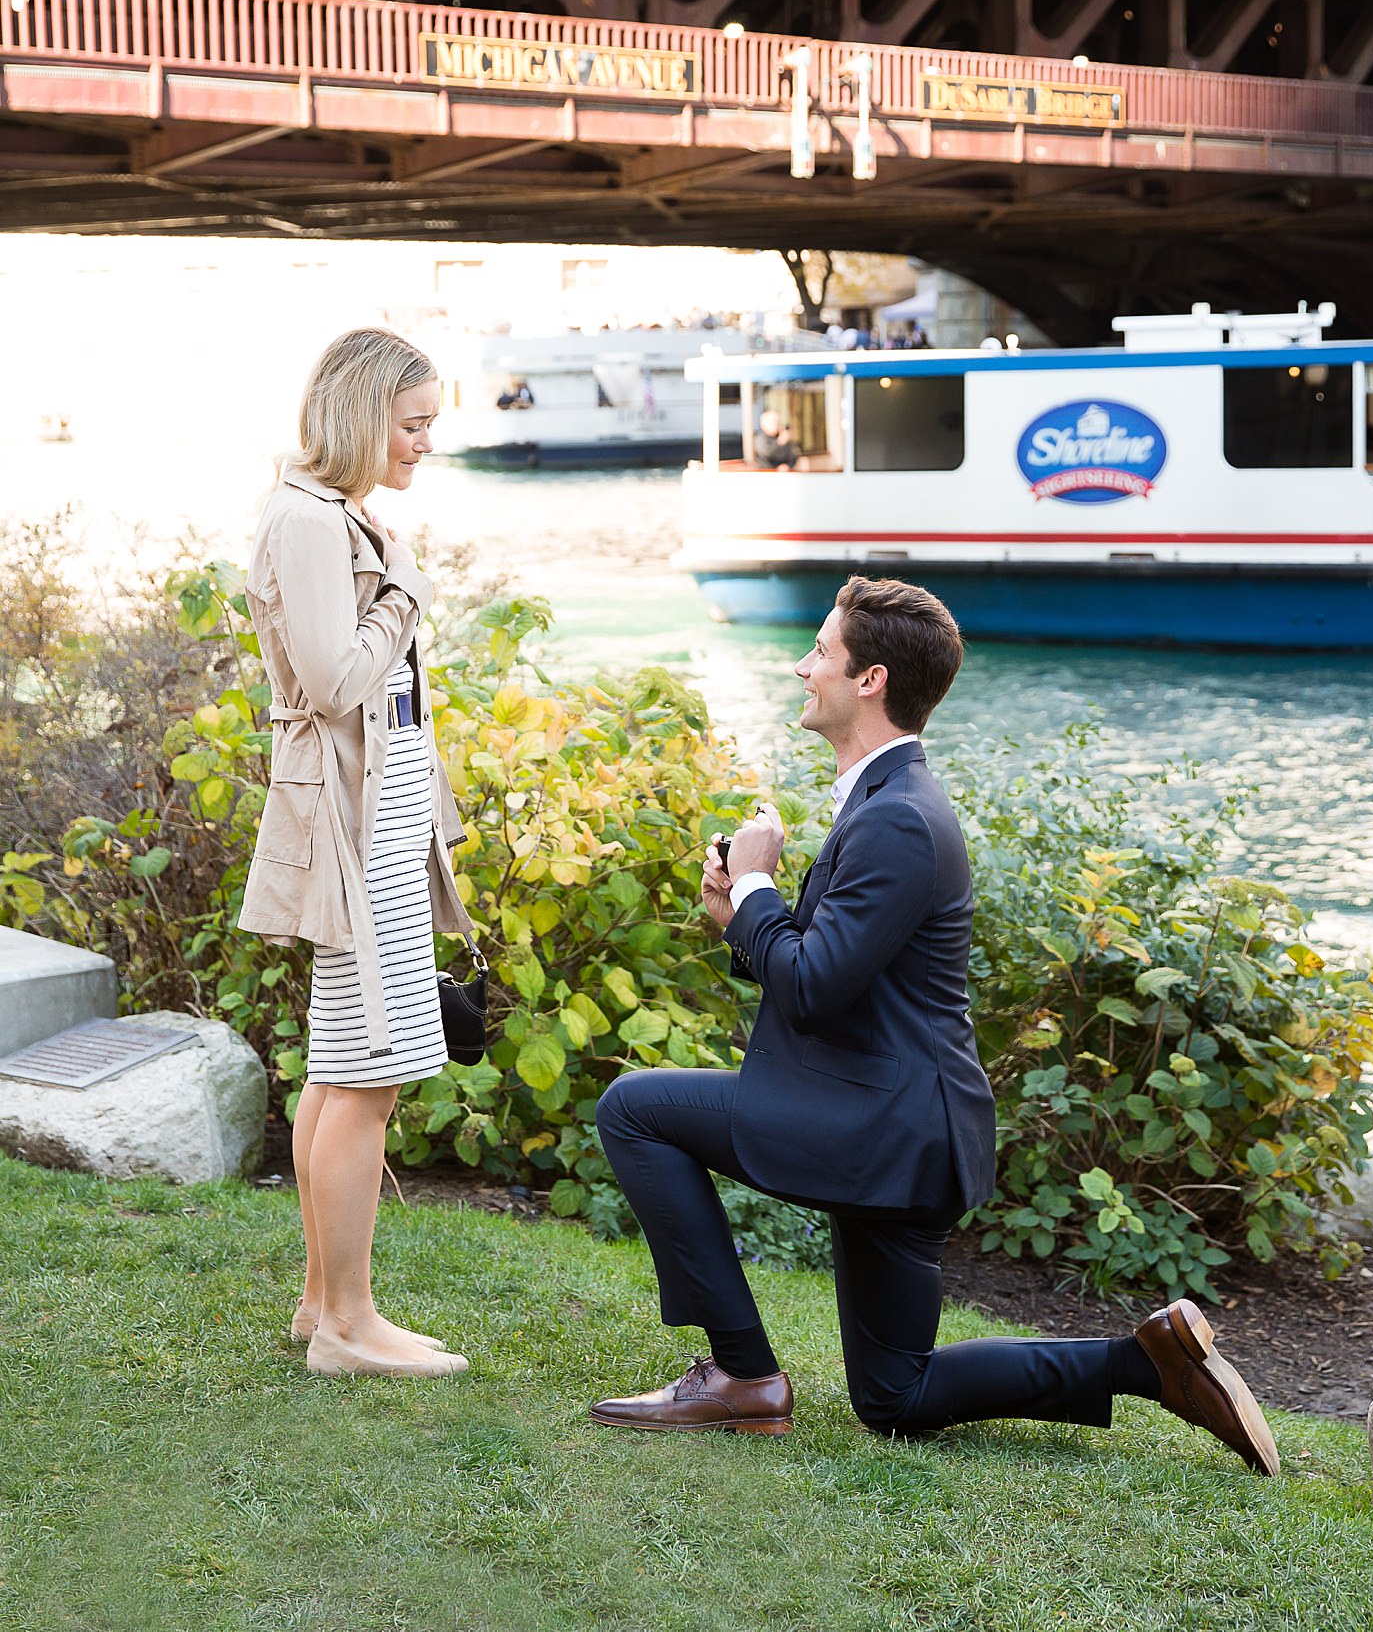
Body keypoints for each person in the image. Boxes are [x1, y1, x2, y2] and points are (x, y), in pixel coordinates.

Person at [589, 577, 1280, 1475]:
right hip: (900, 1126)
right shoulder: (888, 802)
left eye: (821, 653)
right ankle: (1145, 1364)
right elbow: (832, 972)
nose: (803, 668)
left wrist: (758, 886)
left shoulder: (900, 821)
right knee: (895, 1396)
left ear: (869, 680)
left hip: (881, 1127)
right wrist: (740, 918)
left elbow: (813, 988)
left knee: (634, 1109)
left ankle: (741, 1375)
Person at [239, 327, 473, 1380]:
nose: (425, 443)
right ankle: (348, 1325)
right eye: (412, 423)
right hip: (351, 817)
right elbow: (337, 683)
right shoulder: (308, 520)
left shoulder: (328, 513)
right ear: (360, 411)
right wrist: (403, 595)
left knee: (343, 1069)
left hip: (369, 809)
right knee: (367, 1073)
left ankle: (322, 1307)